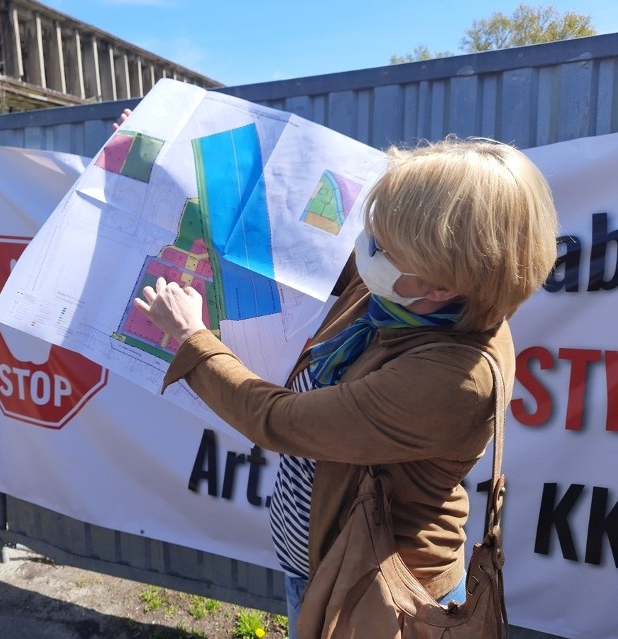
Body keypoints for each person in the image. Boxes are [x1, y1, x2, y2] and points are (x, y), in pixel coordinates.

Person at [133, 135, 559, 638]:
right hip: (325, 565)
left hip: (379, 596)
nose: (365, 249)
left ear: (444, 282)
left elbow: (279, 422)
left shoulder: (452, 380)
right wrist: (160, 151)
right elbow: (283, 240)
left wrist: (192, 339)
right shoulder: (406, 296)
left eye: (384, 245)